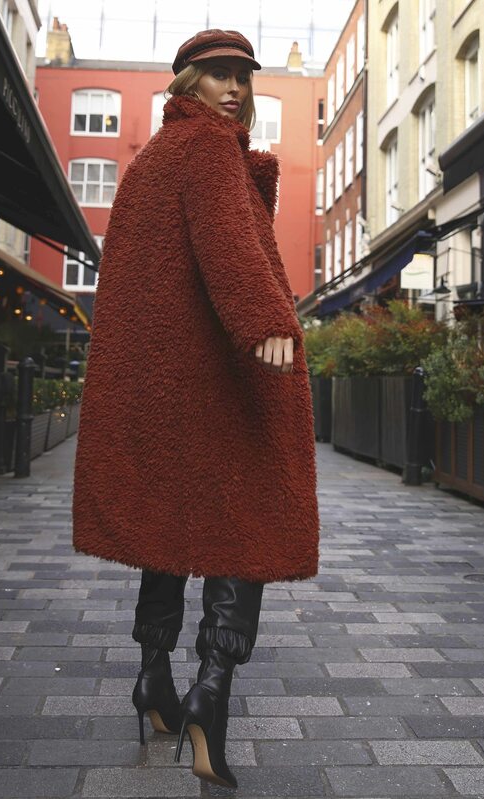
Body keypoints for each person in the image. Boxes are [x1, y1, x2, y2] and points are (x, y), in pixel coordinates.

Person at [71, 28, 320, 789]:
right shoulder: (208, 148)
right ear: (187, 83)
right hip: (216, 376)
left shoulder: (153, 157)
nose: (234, 88)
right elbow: (227, 243)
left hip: (163, 383)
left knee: (170, 519)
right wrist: (265, 318)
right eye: (218, 75)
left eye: (243, 75)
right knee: (246, 520)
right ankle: (212, 692)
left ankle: (154, 677)